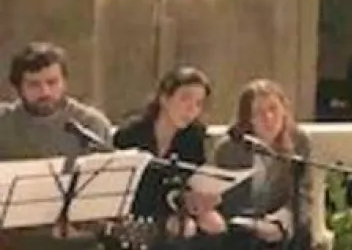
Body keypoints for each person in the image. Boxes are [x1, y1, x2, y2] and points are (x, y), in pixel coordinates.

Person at [0, 42, 117, 250]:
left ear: (65, 82)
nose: (45, 91)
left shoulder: (91, 125)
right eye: (34, 84)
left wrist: (84, 226)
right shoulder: (4, 123)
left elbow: (107, 200)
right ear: (18, 87)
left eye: (52, 82)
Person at [111, 66, 224, 246]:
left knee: (215, 224)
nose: (191, 109)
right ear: (164, 98)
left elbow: (190, 180)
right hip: (137, 212)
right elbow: (127, 190)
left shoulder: (194, 135)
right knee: (184, 229)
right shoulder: (131, 134)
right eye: (185, 99)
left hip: (174, 208)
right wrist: (168, 217)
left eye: (198, 103)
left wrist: (200, 199)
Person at [209, 80, 311, 248]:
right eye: (259, 112)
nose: (268, 118)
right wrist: (255, 225)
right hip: (242, 225)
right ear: (248, 118)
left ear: (284, 110)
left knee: (301, 232)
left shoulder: (299, 141)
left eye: (273, 109)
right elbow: (225, 200)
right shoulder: (229, 147)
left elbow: (303, 194)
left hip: (278, 224)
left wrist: (279, 223)